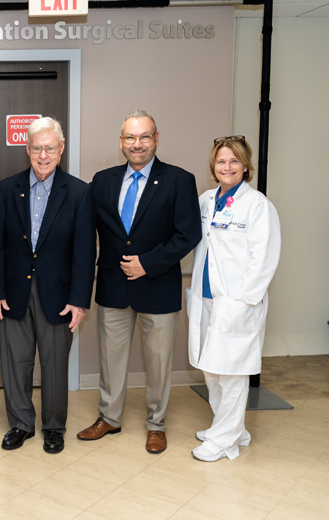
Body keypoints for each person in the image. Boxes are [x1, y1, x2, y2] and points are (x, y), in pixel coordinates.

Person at [77, 110, 201, 454]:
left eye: (145, 137)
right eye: (130, 138)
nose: (137, 144)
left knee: (159, 362)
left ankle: (156, 424)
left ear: (156, 139)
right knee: (110, 359)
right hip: (114, 287)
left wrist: (148, 263)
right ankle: (109, 417)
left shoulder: (179, 180)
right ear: (121, 142)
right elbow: (87, 232)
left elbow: (188, 234)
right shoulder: (102, 180)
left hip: (158, 285)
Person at [0, 117, 96, 454]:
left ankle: (53, 426)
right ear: (27, 150)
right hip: (13, 291)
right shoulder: (7, 189)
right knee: (16, 362)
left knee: (54, 365)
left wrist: (79, 300)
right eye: (37, 148)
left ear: (61, 148)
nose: (44, 155)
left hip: (59, 295)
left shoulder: (79, 192)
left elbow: (84, 251)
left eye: (50, 148)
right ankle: (20, 424)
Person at [187, 136, 280, 462]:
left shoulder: (257, 205)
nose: (227, 167)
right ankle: (231, 429)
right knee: (211, 369)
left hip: (237, 302)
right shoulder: (206, 199)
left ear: (245, 166)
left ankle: (223, 441)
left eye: (234, 161)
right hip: (207, 295)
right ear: (214, 165)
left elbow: (264, 258)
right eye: (221, 161)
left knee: (232, 371)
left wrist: (244, 300)